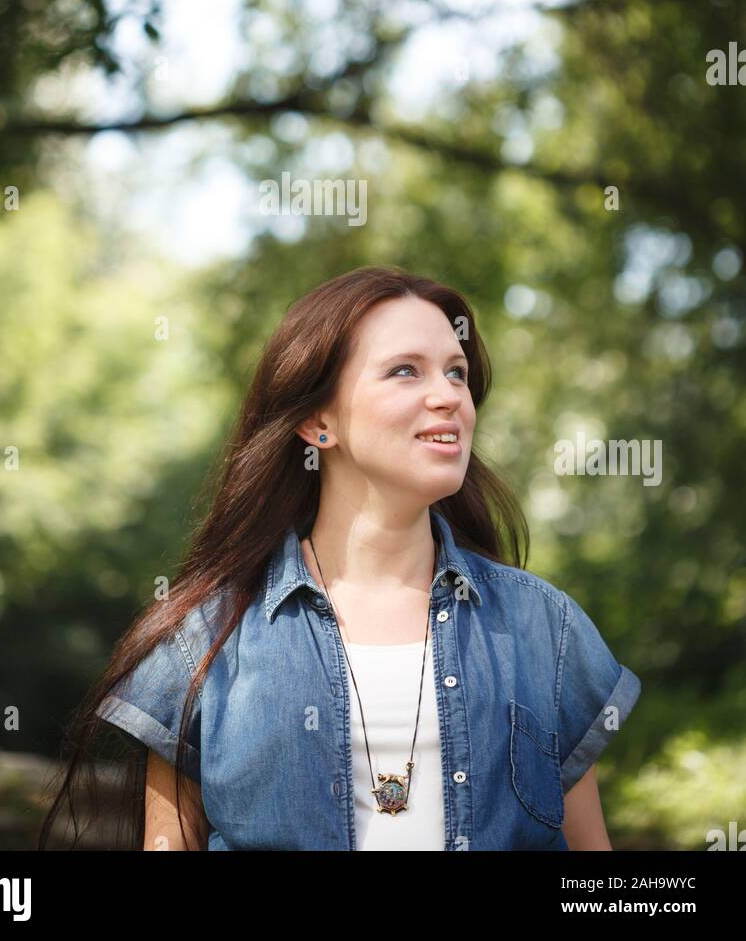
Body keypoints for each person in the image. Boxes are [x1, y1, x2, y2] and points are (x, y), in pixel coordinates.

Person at [38, 265, 641, 851]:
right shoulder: (205, 640)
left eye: (456, 374)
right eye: (406, 371)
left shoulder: (543, 627)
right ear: (317, 422)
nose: (448, 396)